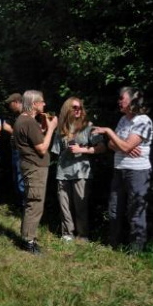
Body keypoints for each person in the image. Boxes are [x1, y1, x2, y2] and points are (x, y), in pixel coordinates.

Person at [93, 87, 153, 252]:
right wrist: (122, 145)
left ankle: (135, 252)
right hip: (119, 169)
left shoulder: (143, 120)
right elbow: (113, 145)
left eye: (122, 98)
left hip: (137, 172)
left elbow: (122, 144)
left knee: (136, 211)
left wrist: (110, 133)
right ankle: (113, 246)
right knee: (114, 208)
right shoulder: (123, 120)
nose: (119, 101)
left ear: (133, 101)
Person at [51, 97, 105, 242]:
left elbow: (101, 147)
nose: (78, 110)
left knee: (81, 205)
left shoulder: (88, 126)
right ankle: (67, 234)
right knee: (64, 205)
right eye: (74, 107)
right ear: (67, 109)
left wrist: (82, 149)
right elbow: (56, 151)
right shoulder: (61, 128)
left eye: (80, 107)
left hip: (81, 172)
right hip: (63, 172)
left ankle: (83, 235)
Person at [13, 90, 58, 254]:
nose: (44, 104)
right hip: (35, 168)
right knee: (35, 203)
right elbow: (42, 148)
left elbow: (36, 140)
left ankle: (27, 236)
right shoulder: (29, 122)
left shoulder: (23, 120)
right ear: (34, 104)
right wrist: (52, 128)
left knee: (31, 201)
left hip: (29, 165)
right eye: (42, 101)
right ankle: (28, 242)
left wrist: (45, 128)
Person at [2, 93, 25, 206]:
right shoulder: (15, 116)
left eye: (10, 104)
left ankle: (25, 208)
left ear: (16, 102)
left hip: (21, 152)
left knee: (21, 179)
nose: (9, 106)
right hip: (15, 150)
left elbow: (25, 135)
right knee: (16, 178)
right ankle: (19, 205)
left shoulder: (25, 116)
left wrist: (9, 129)